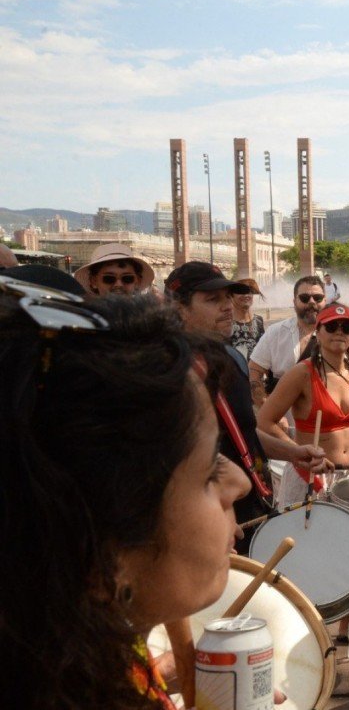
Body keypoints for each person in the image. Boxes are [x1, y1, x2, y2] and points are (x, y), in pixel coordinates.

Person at [0, 289, 254, 709]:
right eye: (210, 471)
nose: (241, 483)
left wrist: (172, 667)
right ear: (106, 557)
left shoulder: (67, 655)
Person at [257, 302, 349, 649]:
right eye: (332, 327)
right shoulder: (302, 373)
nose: (340, 335)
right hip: (308, 475)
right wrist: (298, 450)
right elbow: (265, 421)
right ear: (318, 332)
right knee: (303, 554)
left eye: (347, 328)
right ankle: (296, 631)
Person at [166, 262, 325, 546]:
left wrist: (293, 452)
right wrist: (211, 514)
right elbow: (171, 463)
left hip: (250, 506)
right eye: (213, 300)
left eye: (228, 297)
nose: (228, 306)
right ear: (179, 309)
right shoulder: (169, 371)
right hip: (213, 520)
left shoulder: (231, 358)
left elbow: (244, 434)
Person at [249, 276, 325, 406]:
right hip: (282, 421)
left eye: (318, 298)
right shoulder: (276, 332)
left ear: (325, 301)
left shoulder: (338, 333)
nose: (312, 302)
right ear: (294, 301)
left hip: (324, 420)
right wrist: (266, 406)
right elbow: (253, 371)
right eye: (304, 298)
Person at [72, 243, 155, 298]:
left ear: (138, 281)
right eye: (109, 279)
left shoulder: (150, 320)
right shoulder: (84, 321)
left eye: (127, 279)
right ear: (93, 281)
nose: (118, 284)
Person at [230, 277, 266, 361]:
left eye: (249, 292)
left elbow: (264, 351)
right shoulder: (226, 321)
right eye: (241, 292)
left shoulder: (258, 321)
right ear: (231, 296)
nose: (246, 295)